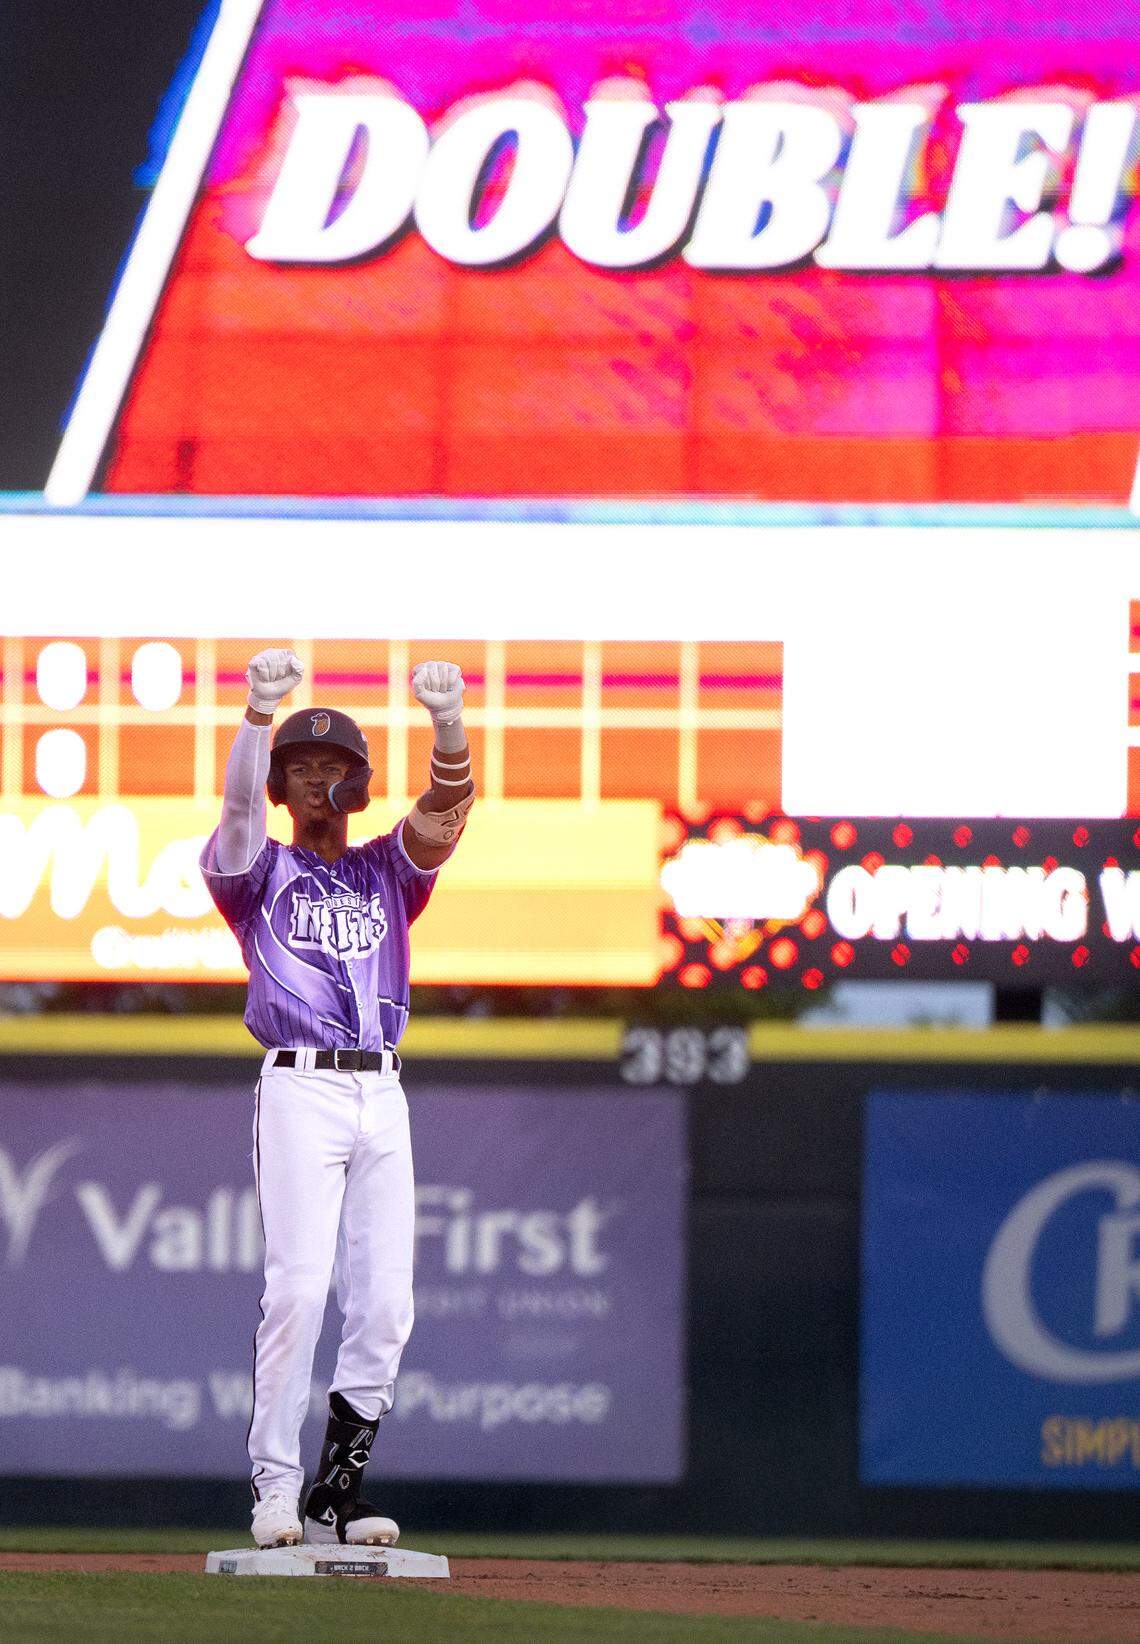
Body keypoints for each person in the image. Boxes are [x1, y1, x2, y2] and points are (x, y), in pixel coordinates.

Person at [200, 648, 474, 1550]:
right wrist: (255, 714)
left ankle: (333, 1497)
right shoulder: (256, 873)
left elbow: (444, 818)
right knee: (298, 1292)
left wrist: (447, 729)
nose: (319, 781)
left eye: (336, 769)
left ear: (358, 786)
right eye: (302, 770)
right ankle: (275, 1489)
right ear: (283, 786)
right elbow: (236, 810)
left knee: (388, 1306)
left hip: (382, 1089)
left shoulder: (384, 873)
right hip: (299, 1086)